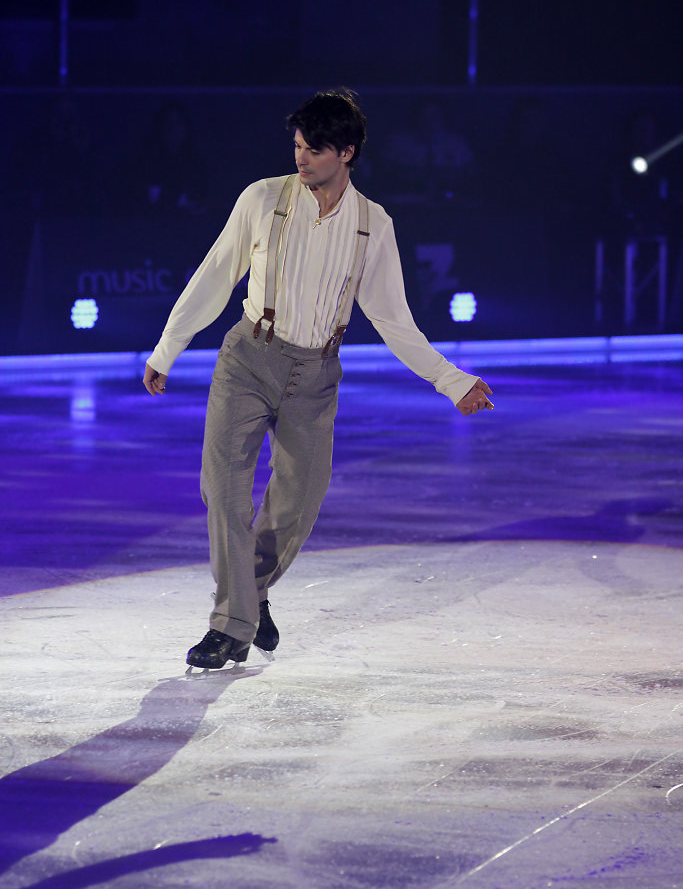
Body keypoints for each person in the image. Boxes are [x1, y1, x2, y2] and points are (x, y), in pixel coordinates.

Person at [143, 90, 493, 670]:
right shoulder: (263, 199)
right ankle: (230, 627)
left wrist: (451, 381)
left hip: (316, 376)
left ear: (346, 153)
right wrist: (168, 347)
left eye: (314, 149)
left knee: (300, 501)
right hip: (248, 359)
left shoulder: (372, 225)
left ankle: (250, 594)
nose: (300, 158)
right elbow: (215, 275)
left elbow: (393, 319)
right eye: (298, 146)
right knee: (223, 492)